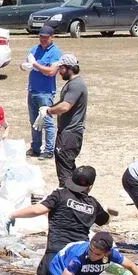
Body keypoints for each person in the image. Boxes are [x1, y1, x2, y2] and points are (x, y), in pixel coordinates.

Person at [8, 165, 112, 275]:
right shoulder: (93, 204)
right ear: (90, 187)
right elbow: (105, 220)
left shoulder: (60, 195)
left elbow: (38, 209)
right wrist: (104, 211)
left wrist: (13, 214)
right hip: (79, 259)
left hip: (55, 256)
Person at [40, 54, 87, 187]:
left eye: (61, 68)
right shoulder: (72, 84)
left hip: (70, 133)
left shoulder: (76, 85)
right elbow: (62, 102)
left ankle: (67, 195)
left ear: (68, 68)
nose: (59, 71)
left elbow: (66, 106)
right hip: (67, 132)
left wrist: (49, 111)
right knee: (66, 165)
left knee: (65, 166)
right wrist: (49, 108)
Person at [21, 25, 62, 158]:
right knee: (34, 121)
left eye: (46, 37)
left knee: (47, 122)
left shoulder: (55, 53)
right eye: (41, 37)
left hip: (45, 92)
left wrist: (36, 65)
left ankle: (49, 150)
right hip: (32, 90)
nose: (43, 39)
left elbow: (51, 72)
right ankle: (35, 148)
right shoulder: (35, 49)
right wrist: (24, 66)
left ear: (52, 37)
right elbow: (26, 63)